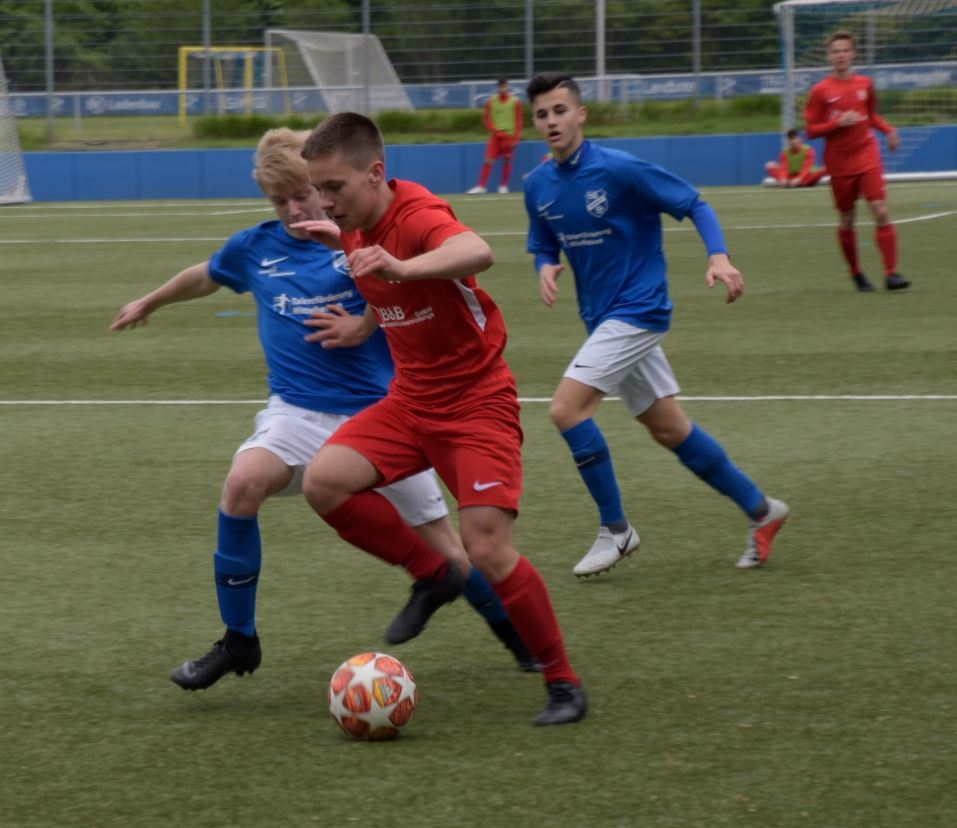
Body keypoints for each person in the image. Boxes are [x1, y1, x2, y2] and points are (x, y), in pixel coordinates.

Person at [109, 127, 537, 692]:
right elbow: (206, 276)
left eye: (303, 194)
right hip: (296, 413)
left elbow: (412, 291)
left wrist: (362, 325)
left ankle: (518, 640)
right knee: (241, 484)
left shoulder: (360, 237)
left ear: (323, 186)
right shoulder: (255, 247)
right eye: (279, 201)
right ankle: (239, 639)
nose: (294, 209)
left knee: (453, 555)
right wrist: (151, 300)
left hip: (381, 414)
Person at [294, 112, 586, 726]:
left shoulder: (418, 214)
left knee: (488, 549)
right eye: (318, 188)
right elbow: (384, 288)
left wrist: (403, 267)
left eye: (335, 187)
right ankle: (434, 573)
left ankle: (562, 683)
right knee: (323, 482)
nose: (326, 200)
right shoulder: (352, 227)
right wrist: (363, 311)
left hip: (476, 403)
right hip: (409, 403)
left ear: (376, 173)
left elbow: (475, 251)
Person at [522, 72, 790, 577]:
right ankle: (762, 510)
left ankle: (616, 530)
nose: (552, 120)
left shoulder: (618, 168)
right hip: (601, 318)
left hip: (638, 310)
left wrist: (718, 256)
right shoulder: (537, 184)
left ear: (580, 113)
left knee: (565, 410)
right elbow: (542, 241)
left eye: (560, 110)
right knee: (669, 428)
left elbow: (693, 203)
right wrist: (545, 265)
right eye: (542, 114)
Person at [804, 30, 910, 293]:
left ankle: (891, 274)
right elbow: (811, 130)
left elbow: (870, 115)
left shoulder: (865, 84)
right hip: (839, 163)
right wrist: (837, 123)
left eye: (844, 50)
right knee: (848, 218)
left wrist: (889, 130)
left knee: (880, 210)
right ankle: (856, 273)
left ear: (853, 54)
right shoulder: (820, 91)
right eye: (835, 51)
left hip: (867, 155)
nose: (840, 55)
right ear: (829, 56)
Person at [466, 78, 523, 195]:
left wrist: (516, 138)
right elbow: (486, 119)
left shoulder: (515, 102)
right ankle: (481, 186)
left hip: (509, 135)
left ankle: (503, 186)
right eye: (500, 86)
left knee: (507, 160)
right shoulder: (491, 101)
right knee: (488, 160)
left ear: (508, 86)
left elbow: (518, 120)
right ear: (497, 87)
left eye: (504, 86)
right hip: (495, 136)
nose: (503, 89)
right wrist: (494, 131)